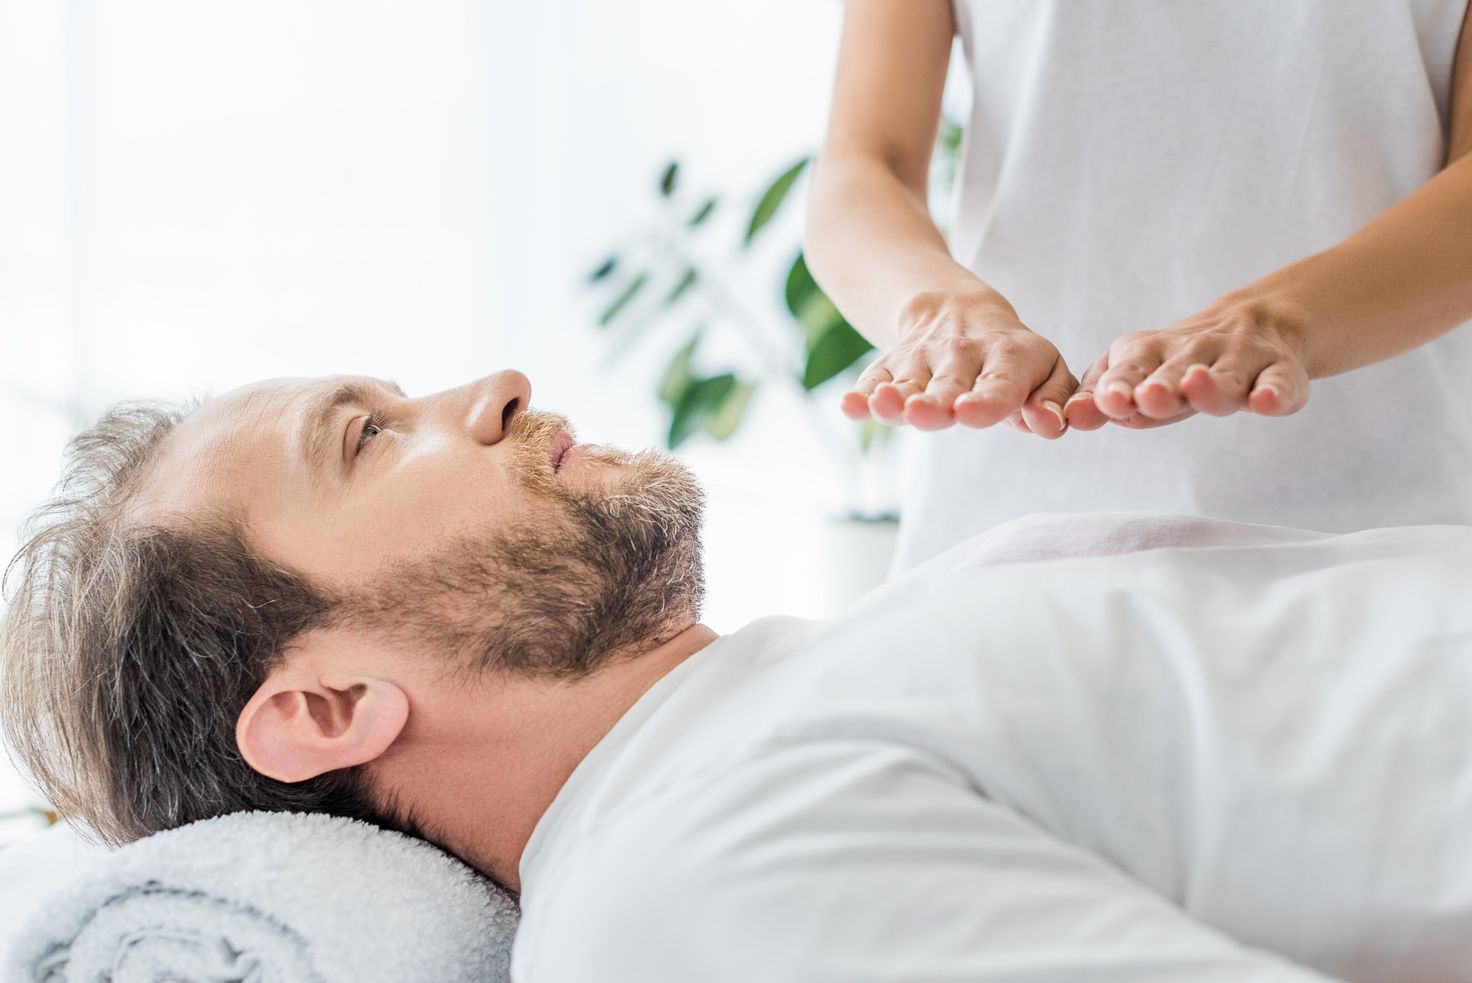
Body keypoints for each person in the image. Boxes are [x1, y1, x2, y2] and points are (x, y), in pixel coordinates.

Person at [4, 370, 1472, 982]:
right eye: (372, 436)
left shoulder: (767, 722)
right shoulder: (693, 881)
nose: (496, 385)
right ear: (327, 706)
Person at [804, 0, 1472, 571]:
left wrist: (1281, 321)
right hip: (1001, 542)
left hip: (1382, 546)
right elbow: (866, 159)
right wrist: (937, 312)